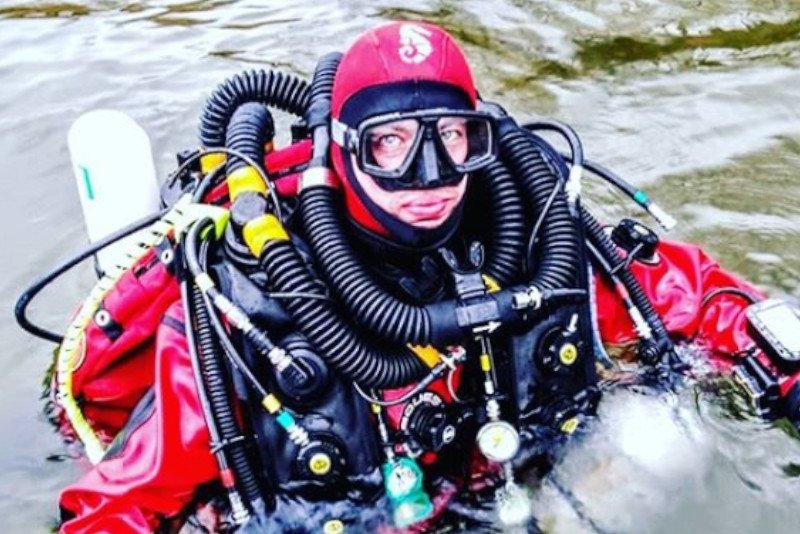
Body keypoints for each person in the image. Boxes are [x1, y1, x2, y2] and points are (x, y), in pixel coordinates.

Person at [32, 21, 799, 534]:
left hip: (504, 494)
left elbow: (696, 300)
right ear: (343, 150)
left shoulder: (533, 236)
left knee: (664, 437)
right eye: (391, 144)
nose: (427, 178)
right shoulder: (248, 310)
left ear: (482, 139)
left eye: (451, 139)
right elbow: (119, 506)